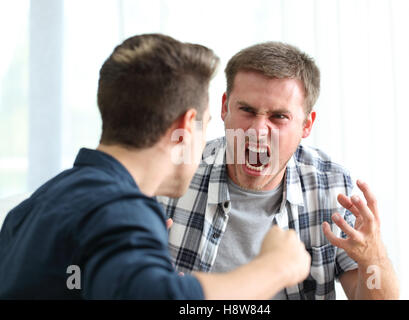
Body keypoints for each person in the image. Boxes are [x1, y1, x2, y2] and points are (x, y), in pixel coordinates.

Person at [0, 34, 312, 299]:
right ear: (186, 126)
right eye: (206, 126)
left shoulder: (37, 205)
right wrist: (275, 267)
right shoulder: (119, 210)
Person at [158, 41, 400, 300]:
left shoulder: (331, 188)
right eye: (247, 110)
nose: (258, 130)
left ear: (306, 125)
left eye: (279, 117)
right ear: (225, 107)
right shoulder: (171, 174)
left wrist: (373, 257)